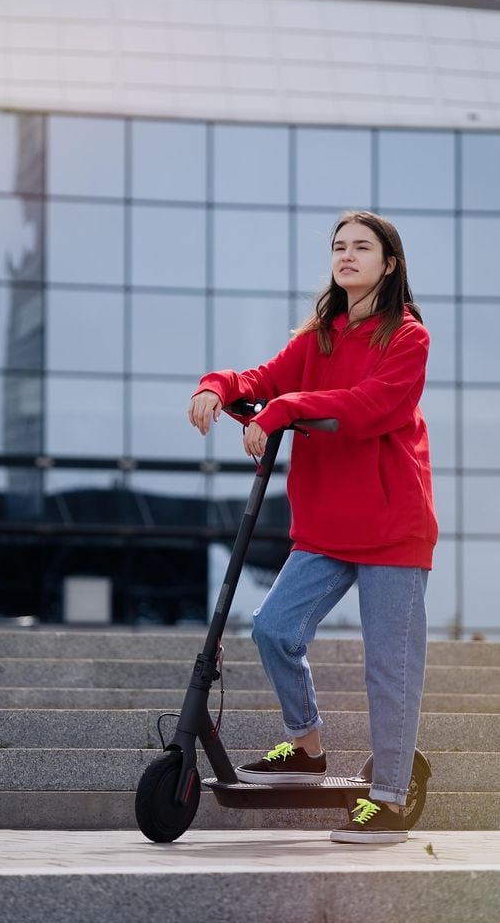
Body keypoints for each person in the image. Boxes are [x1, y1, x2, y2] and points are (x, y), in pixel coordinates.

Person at [188, 211, 438, 844]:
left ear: (389, 263)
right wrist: (217, 387)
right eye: (338, 247)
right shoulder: (319, 338)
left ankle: (387, 800)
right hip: (327, 526)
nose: (346, 256)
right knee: (274, 629)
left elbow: (371, 407)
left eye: (362, 247)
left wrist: (285, 408)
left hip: (392, 526)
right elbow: (262, 379)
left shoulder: (408, 338)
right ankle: (307, 746)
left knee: (389, 665)